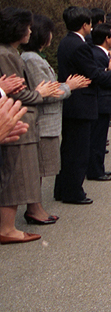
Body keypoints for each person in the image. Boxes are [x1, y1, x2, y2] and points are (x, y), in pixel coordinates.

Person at [54, 6, 111, 205]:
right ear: (84, 25)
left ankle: (62, 188)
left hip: (72, 101)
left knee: (69, 148)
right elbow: (94, 74)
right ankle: (73, 191)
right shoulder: (80, 46)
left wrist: (109, 69)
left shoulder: (66, 42)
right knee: (78, 150)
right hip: (81, 101)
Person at [0, 8, 63, 243]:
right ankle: (7, 228)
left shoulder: (12, 53)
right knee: (16, 175)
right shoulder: (7, 54)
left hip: (18, 119)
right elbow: (19, 93)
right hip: (17, 120)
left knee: (20, 173)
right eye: (26, 26)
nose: (29, 31)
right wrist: (39, 92)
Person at [20, 15, 90, 223]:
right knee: (38, 168)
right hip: (43, 121)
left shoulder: (33, 57)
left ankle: (36, 206)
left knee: (41, 167)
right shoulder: (32, 59)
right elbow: (45, 92)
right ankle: (34, 208)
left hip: (46, 120)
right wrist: (70, 86)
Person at [87, 23, 111, 182]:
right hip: (101, 100)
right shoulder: (98, 55)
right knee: (97, 138)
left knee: (100, 137)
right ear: (106, 38)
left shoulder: (102, 54)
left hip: (102, 101)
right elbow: (102, 79)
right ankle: (95, 170)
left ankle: (98, 168)